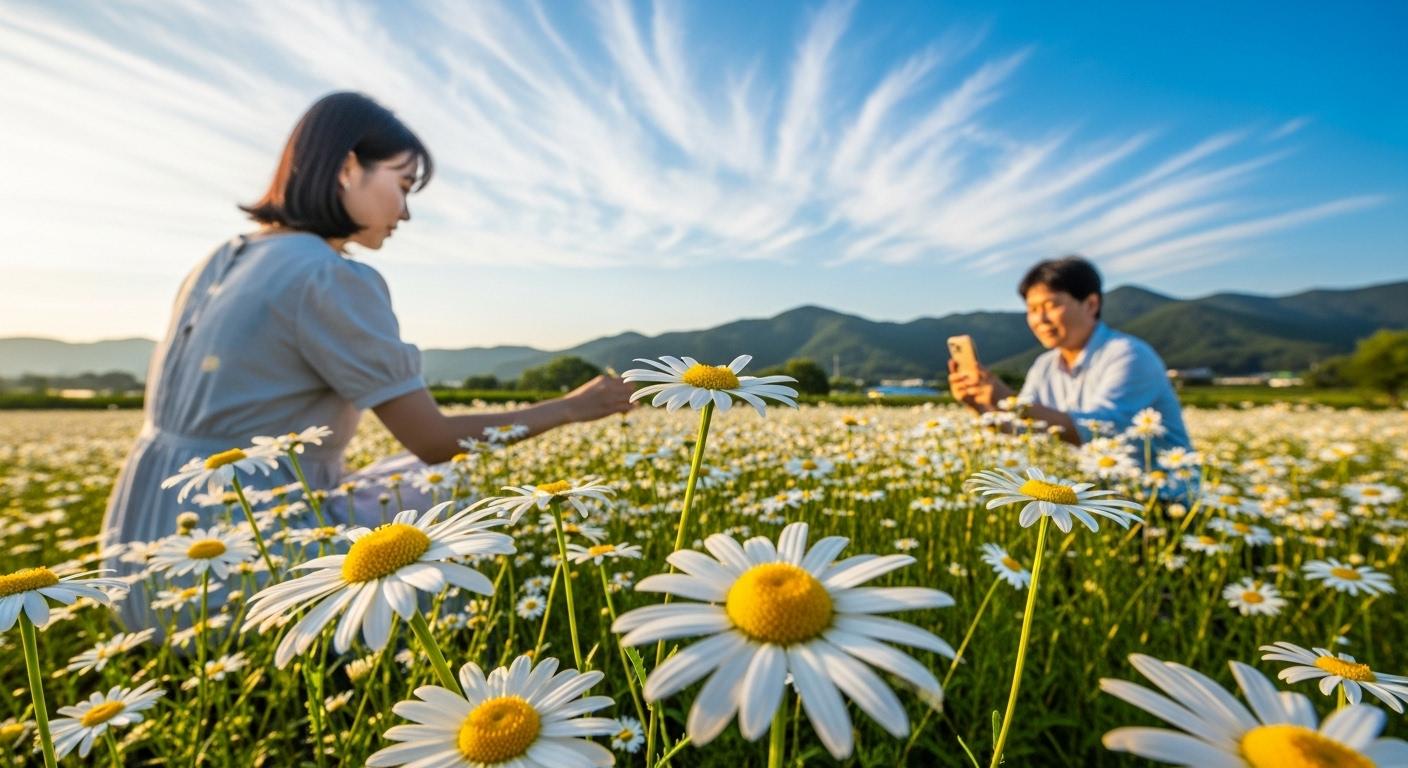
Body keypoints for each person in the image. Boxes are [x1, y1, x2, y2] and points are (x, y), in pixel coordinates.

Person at [101, 92, 634, 629]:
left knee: (402, 491)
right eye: (402, 185)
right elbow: (433, 441)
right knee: (446, 505)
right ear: (348, 167)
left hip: (140, 544)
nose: (405, 211)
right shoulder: (328, 276)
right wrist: (571, 407)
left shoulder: (224, 256)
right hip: (243, 557)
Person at [948, 255, 1191, 453]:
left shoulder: (1128, 355)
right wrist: (980, 405)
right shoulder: (1044, 365)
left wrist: (1009, 400)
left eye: (1051, 305)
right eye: (1032, 309)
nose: (1040, 319)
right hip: (1087, 491)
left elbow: (1096, 431)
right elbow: (1025, 430)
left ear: (1091, 304)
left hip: (1158, 494)